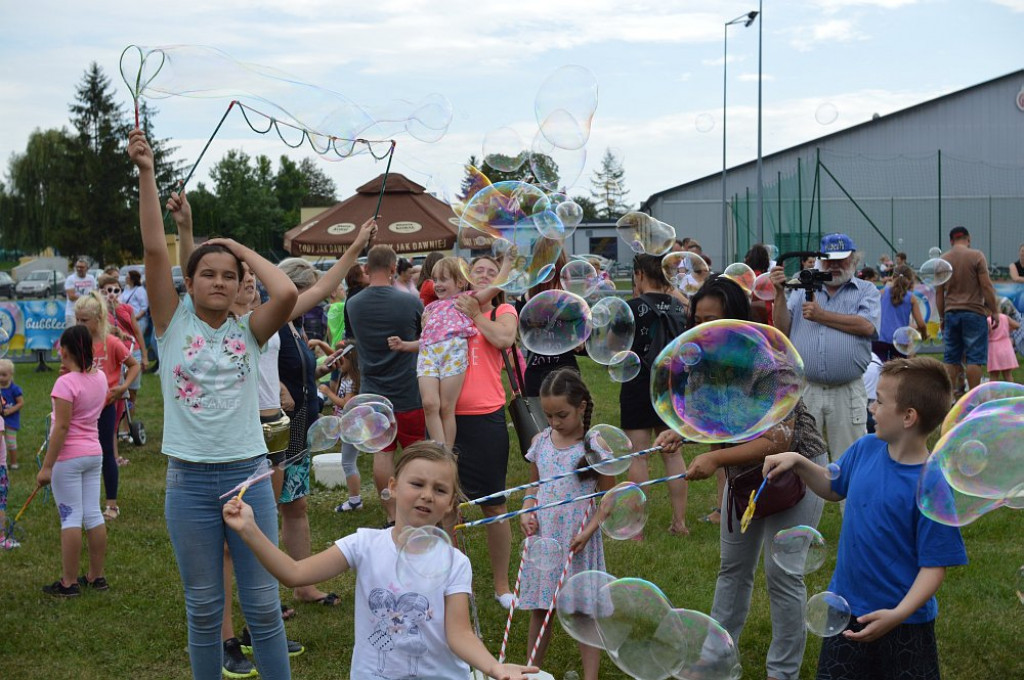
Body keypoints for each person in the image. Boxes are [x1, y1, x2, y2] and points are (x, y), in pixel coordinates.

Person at [131, 128, 299, 679]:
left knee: (263, 608)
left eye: (230, 276)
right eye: (208, 273)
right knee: (204, 610)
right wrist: (148, 172)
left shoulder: (250, 331)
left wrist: (235, 247)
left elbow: (289, 292)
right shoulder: (169, 322)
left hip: (248, 479)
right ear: (190, 280)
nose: (220, 281)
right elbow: (157, 248)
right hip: (188, 483)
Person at [222, 441, 539, 680]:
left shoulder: (455, 562)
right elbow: (294, 573)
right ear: (392, 487)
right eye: (417, 484)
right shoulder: (364, 544)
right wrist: (249, 530)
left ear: (450, 504)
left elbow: (460, 634)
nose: (427, 494)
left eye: (440, 489)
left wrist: (493, 667)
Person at [656, 276, 827, 680]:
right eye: (696, 318)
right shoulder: (701, 363)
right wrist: (678, 432)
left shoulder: (769, 363)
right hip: (745, 477)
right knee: (732, 569)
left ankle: (781, 673)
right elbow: (706, 415)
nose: (701, 328)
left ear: (735, 321)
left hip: (796, 469)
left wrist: (716, 463)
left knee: (782, 575)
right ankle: (714, 660)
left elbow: (776, 440)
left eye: (711, 319)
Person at [763, 356, 968, 679]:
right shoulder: (866, 448)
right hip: (845, 608)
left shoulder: (932, 484)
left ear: (908, 417)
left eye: (879, 401)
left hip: (903, 622)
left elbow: (934, 567)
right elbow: (833, 486)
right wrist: (798, 462)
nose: (872, 407)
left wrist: (898, 614)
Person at [519, 369, 612, 680]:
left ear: (581, 408)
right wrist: (526, 510)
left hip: (577, 539)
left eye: (562, 415)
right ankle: (531, 670)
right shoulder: (540, 441)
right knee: (540, 608)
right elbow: (533, 486)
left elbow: (609, 495)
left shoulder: (593, 445)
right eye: (548, 415)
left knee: (583, 611)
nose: (555, 422)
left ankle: (591, 677)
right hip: (545, 536)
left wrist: (589, 529)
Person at [770, 233, 880, 466]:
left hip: (847, 390)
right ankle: (809, 503)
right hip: (807, 388)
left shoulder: (865, 290)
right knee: (804, 458)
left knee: (850, 460)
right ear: (820, 259)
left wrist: (822, 316)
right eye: (829, 260)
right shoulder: (801, 286)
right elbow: (782, 330)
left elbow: (867, 326)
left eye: (842, 259)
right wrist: (779, 294)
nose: (835, 265)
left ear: (854, 259)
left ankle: (849, 503)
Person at [450, 254, 519, 607]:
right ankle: (452, 583)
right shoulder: (447, 308)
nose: (484, 276)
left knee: (494, 504)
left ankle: (502, 585)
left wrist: (477, 315)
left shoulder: (501, 313)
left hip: (486, 416)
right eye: (478, 271)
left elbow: (505, 340)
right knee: (447, 506)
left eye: (492, 273)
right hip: (448, 418)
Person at [388, 256, 506, 449]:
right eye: (435, 280)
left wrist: (507, 264)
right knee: (429, 404)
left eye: (443, 279)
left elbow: (495, 288)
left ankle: (447, 451)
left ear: (460, 282)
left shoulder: (465, 301)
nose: (437, 284)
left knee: (446, 407)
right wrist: (404, 345)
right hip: (429, 356)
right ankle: (439, 449)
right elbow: (427, 340)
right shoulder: (430, 308)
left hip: (453, 355)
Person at [346, 244, 426, 524]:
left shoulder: (353, 304)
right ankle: (418, 510)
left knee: (383, 453)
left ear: (366, 269)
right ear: (394, 268)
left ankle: (392, 515)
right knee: (416, 453)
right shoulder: (410, 301)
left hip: (372, 391)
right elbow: (422, 339)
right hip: (408, 389)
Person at [36, 325, 110, 596]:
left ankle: (69, 583)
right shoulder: (100, 377)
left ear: (63, 351)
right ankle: (96, 576)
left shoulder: (64, 383)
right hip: (93, 453)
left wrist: (47, 466)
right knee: (92, 513)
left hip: (69, 458)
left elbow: (62, 427)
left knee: (70, 517)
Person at [620, 254, 689, 537]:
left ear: (639, 275)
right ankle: (680, 522)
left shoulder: (630, 307)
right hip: (671, 385)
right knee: (673, 454)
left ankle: (636, 530)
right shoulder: (679, 307)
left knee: (639, 456)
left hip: (637, 383)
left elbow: (614, 347)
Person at [75, 291, 140, 521]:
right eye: (77, 319)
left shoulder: (111, 342)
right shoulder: (76, 342)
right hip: (80, 411)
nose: (79, 324)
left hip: (105, 408)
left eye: (84, 320)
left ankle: (111, 504)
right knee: (81, 456)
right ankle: (84, 502)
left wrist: (123, 388)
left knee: (105, 454)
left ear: (99, 319)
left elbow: (134, 365)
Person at [935, 226, 1000, 392]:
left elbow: (939, 293)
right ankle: (973, 399)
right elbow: (986, 286)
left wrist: (942, 318)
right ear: (968, 239)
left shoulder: (943, 260)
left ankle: (948, 399)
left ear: (951, 241)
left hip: (951, 313)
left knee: (951, 358)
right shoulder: (976, 256)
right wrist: (995, 311)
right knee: (974, 358)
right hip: (974, 312)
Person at [517, 253, 581, 397]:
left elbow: (582, 346)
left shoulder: (571, 303)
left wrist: (580, 343)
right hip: (537, 376)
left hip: (566, 374)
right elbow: (524, 338)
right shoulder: (524, 302)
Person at [319, 345, 364, 513]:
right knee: (348, 462)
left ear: (350, 360)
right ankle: (354, 499)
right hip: (348, 426)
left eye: (342, 359)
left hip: (352, 427)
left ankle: (355, 501)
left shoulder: (352, 381)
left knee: (348, 462)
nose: (339, 362)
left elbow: (347, 404)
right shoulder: (345, 377)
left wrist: (327, 392)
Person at [874, 264, 928, 361]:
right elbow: (921, 324)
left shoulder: (881, 293)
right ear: (910, 280)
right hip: (900, 342)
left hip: (879, 339)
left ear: (892, 277)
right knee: (897, 373)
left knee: (879, 370)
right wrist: (924, 334)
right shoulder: (911, 298)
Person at [0, 359, 24, 471]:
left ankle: (14, 463)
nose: (1, 377)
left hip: (11, 421)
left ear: (11, 374)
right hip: (1, 421)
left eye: (4, 375)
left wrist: (10, 411)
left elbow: (20, 403)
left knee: (11, 442)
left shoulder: (14, 389)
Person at [987, 309, 1020, 381]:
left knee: (993, 375)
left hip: (994, 348)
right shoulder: (1005, 317)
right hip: (1006, 347)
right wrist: (1007, 329)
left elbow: (986, 333)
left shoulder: (988, 320)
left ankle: (993, 392)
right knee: (1008, 375)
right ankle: (1011, 391)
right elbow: (1017, 325)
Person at [64, 258, 97, 328]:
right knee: (72, 334)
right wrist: (87, 298)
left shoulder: (91, 278)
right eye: (77, 267)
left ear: (87, 268)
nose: (79, 269)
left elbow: (95, 294)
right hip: (72, 312)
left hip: (87, 312)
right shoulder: (71, 279)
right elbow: (71, 297)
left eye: (81, 267)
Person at [325, 283, 346, 347]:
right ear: (333, 293)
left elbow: (328, 332)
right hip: (342, 344)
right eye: (341, 289)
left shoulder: (330, 309)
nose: (344, 291)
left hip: (334, 345)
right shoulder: (340, 306)